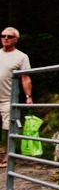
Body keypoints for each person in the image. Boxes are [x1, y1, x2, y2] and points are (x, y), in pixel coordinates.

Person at [1, 27, 33, 167]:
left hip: (8, 98)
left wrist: (28, 96)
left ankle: (8, 155)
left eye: (9, 36)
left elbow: (25, 78)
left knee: (9, 127)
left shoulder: (21, 56)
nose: (6, 38)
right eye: (3, 35)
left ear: (16, 40)